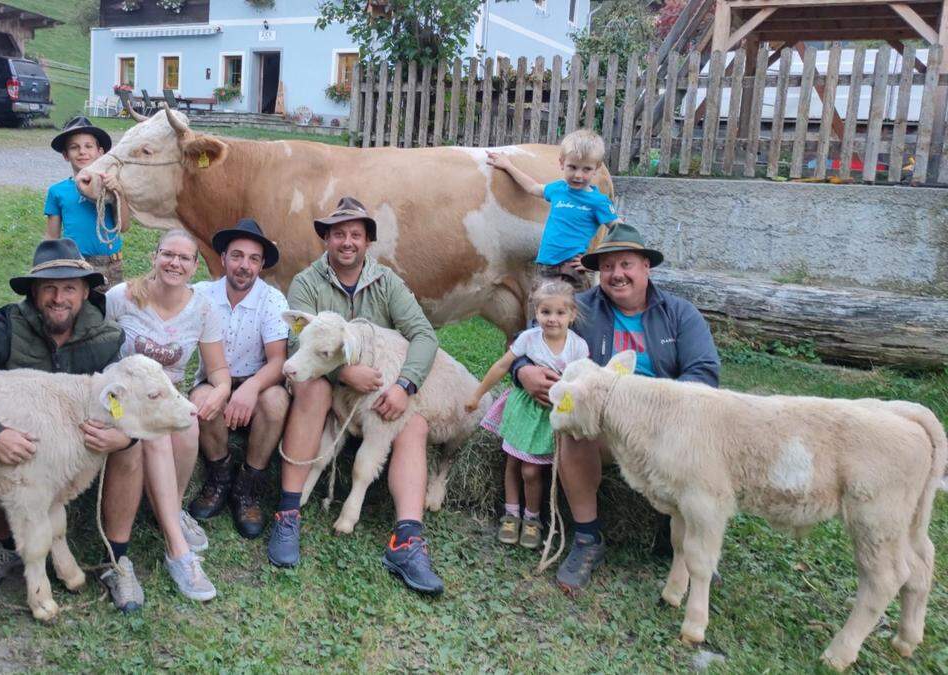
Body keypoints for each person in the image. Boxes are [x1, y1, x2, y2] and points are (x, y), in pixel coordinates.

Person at [0, 238, 148, 612]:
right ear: (35, 293)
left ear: (86, 291)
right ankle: (13, 542)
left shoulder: (108, 340)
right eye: (49, 288)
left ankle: (116, 558)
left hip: (80, 459)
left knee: (131, 448)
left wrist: (122, 434)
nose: (59, 298)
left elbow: (129, 399)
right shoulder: (8, 327)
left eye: (69, 288)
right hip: (20, 459)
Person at [510, 223, 720, 591]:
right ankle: (588, 537)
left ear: (645, 268)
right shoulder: (581, 308)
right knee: (572, 430)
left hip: (665, 422)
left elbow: (704, 372)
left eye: (626, 264)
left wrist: (658, 407)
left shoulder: (680, 313)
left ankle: (691, 544)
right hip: (604, 423)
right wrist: (522, 370)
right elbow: (527, 340)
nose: (616, 274)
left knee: (705, 447)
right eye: (607, 267)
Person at [267, 196, 445, 596]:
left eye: (356, 235)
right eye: (338, 234)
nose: (347, 242)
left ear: (367, 242)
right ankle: (288, 511)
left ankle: (407, 539)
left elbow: (423, 335)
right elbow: (304, 347)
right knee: (311, 390)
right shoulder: (308, 283)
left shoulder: (387, 283)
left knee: (413, 423)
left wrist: (404, 386)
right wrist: (347, 372)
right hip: (328, 385)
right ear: (326, 239)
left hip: (375, 395)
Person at [104, 228, 231, 600]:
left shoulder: (202, 308)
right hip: (124, 395)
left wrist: (221, 392)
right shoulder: (121, 298)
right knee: (159, 432)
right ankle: (177, 546)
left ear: (195, 266)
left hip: (168, 394)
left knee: (189, 424)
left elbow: (218, 371)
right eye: (168, 255)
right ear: (154, 257)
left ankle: (169, 509)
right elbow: (96, 353)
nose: (174, 263)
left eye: (184, 258)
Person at [186, 219, 291, 539]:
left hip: (257, 382)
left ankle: (248, 486)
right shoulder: (201, 294)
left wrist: (250, 389)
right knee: (201, 401)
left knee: (275, 402)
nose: (244, 266)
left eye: (253, 259)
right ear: (223, 259)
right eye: (237, 256)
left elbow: (278, 361)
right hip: (213, 379)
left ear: (261, 265)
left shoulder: (272, 300)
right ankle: (220, 475)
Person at [466, 280, 589, 550]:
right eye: (545, 312)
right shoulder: (528, 339)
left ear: (572, 315)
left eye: (560, 313)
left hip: (549, 415)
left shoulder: (577, 347)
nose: (552, 319)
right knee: (513, 461)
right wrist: (477, 394)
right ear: (536, 313)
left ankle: (532, 517)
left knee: (532, 469)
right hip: (523, 408)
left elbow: (583, 381)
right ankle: (511, 514)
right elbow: (502, 366)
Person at [486, 129, 620, 290]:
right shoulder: (558, 189)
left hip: (574, 269)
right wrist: (508, 166)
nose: (578, 175)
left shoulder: (599, 202)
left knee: (573, 313)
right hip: (545, 266)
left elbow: (620, 229)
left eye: (586, 169)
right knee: (542, 310)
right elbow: (533, 187)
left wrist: (598, 260)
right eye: (572, 167)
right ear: (562, 163)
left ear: (596, 168)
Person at [44, 116, 125, 291]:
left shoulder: (111, 186)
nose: (82, 152)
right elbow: (52, 237)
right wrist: (47, 269)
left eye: (89, 146)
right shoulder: (57, 192)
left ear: (100, 152)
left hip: (113, 264)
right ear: (66, 155)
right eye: (74, 147)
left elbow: (124, 226)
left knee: (111, 311)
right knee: (81, 312)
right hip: (77, 265)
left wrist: (119, 192)